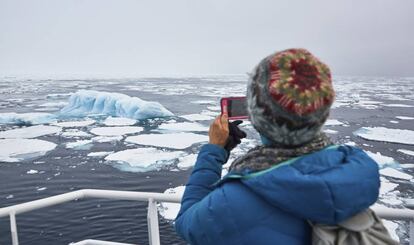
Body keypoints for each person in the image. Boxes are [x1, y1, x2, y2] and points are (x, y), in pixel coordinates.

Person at [174, 49, 380, 245]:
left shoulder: (233, 202)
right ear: (321, 113)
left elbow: (187, 224)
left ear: (257, 116)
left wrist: (214, 151)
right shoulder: (353, 169)